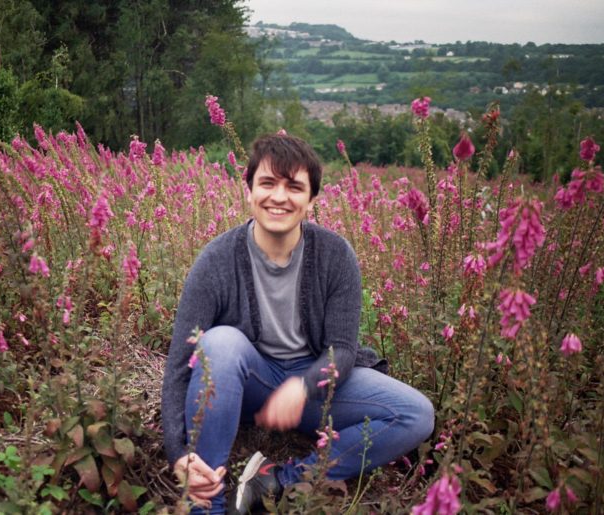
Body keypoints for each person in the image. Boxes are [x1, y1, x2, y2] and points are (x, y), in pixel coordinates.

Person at [161, 134, 434, 514]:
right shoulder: (216, 260)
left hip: (315, 388)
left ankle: (276, 483)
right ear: (249, 190)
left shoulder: (335, 254)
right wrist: (178, 452)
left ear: (311, 200)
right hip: (248, 383)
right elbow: (179, 362)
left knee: (416, 414)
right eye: (268, 183)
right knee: (218, 344)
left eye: (294, 187)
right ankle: (205, 504)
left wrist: (302, 387)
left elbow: (342, 348)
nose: (279, 197)